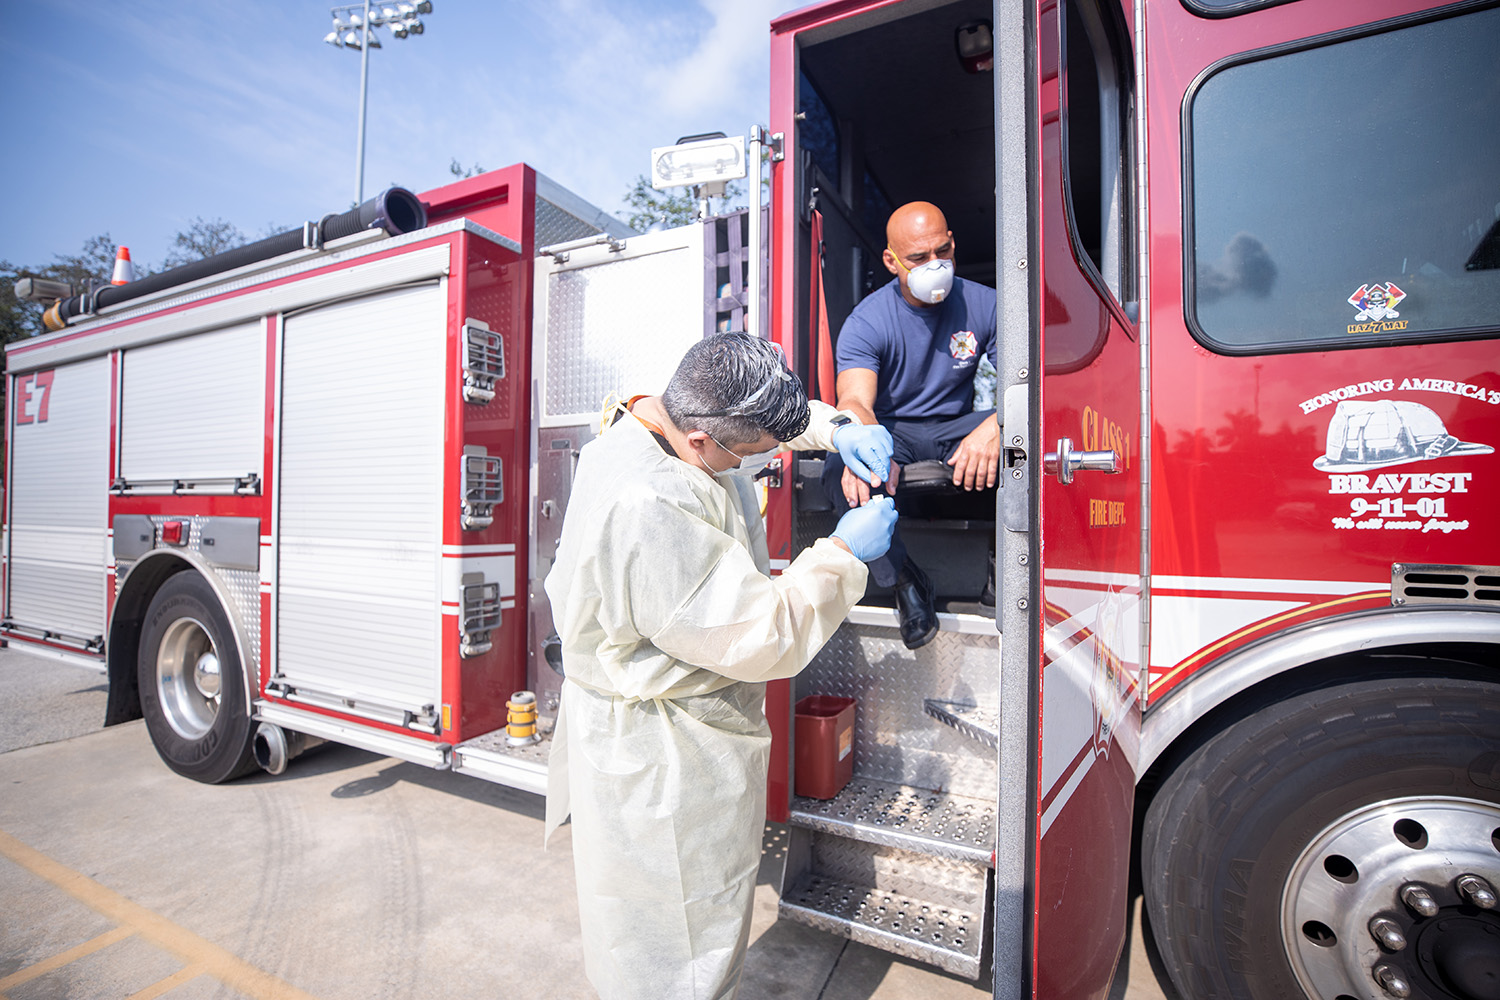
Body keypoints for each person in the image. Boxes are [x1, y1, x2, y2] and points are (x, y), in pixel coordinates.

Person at [543, 332, 898, 1000]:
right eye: (754, 457)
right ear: (705, 442)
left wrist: (836, 427)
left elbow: (752, 420)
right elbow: (760, 634)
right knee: (676, 943)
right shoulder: (654, 508)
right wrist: (844, 555)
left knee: (694, 929)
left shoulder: (650, 420)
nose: (760, 464)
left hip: (673, 727)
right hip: (664, 760)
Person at [822, 200, 999, 649]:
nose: (935, 266)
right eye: (919, 259)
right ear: (891, 261)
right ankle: (903, 581)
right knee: (836, 468)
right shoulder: (868, 320)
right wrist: (862, 444)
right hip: (893, 430)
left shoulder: (987, 304)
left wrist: (998, 425)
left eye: (942, 252)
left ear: (953, 244)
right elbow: (856, 401)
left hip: (955, 427)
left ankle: (1006, 580)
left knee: (1025, 439)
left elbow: (1032, 383)